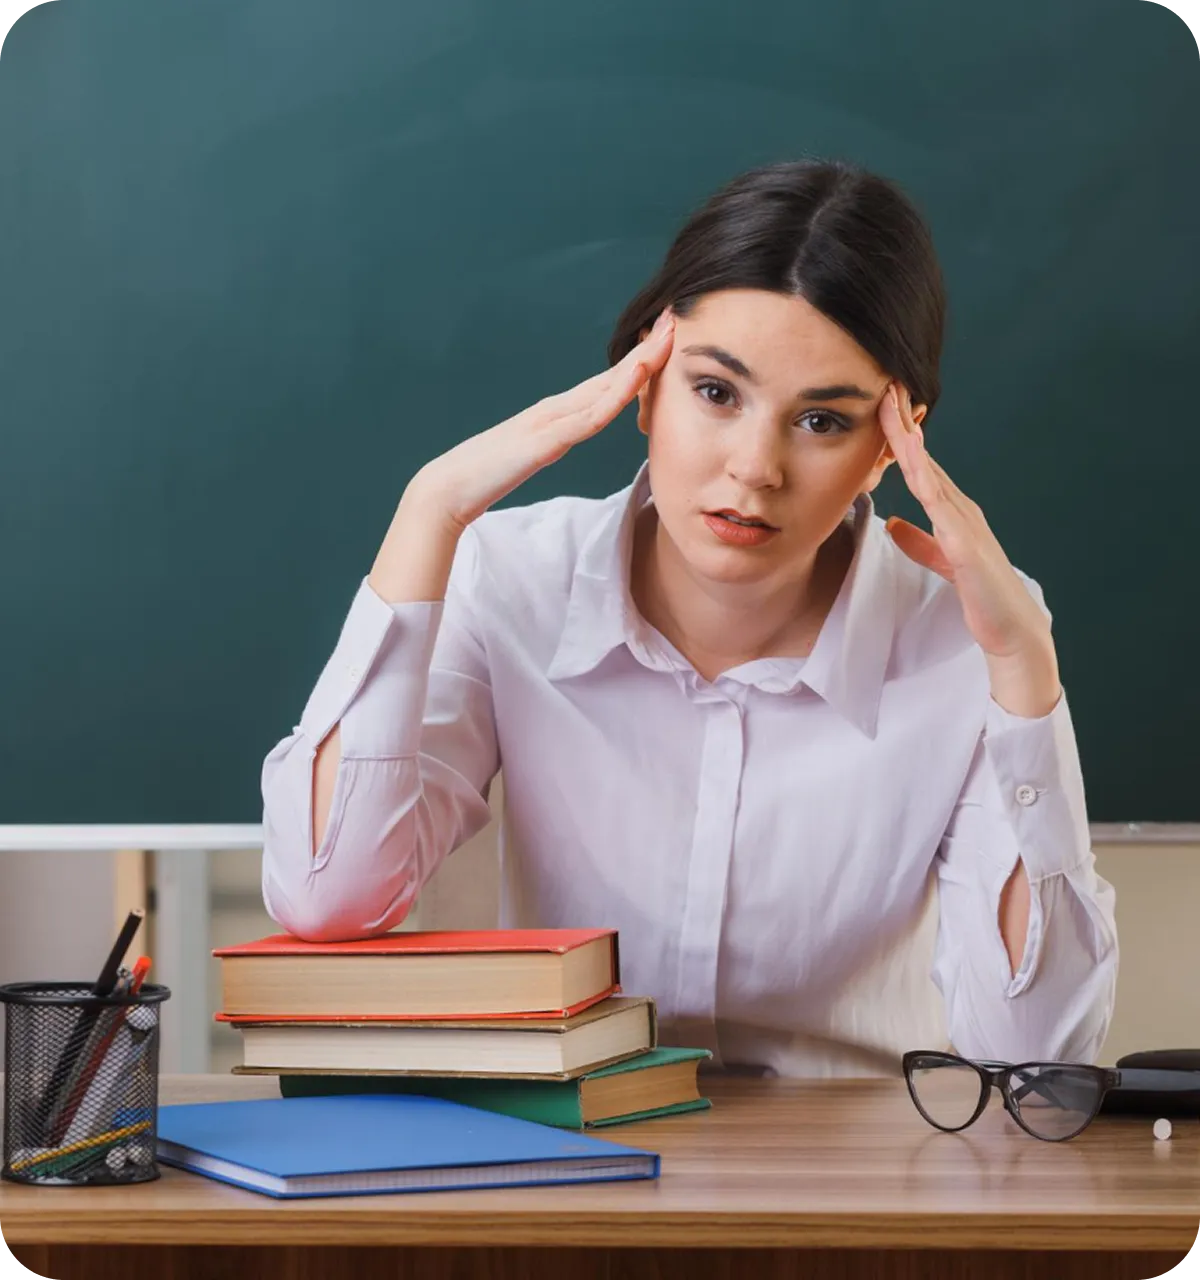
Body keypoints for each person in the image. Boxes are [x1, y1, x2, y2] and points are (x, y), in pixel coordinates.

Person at [260, 158, 1117, 1077]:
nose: (755, 467)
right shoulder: (509, 579)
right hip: (565, 1162)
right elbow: (326, 897)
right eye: (716, 392)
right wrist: (428, 512)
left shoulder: (966, 637)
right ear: (644, 382)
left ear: (889, 445)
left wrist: (1026, 672)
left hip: (853, 1180)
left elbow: (1038, 1056)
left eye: (823, 421)